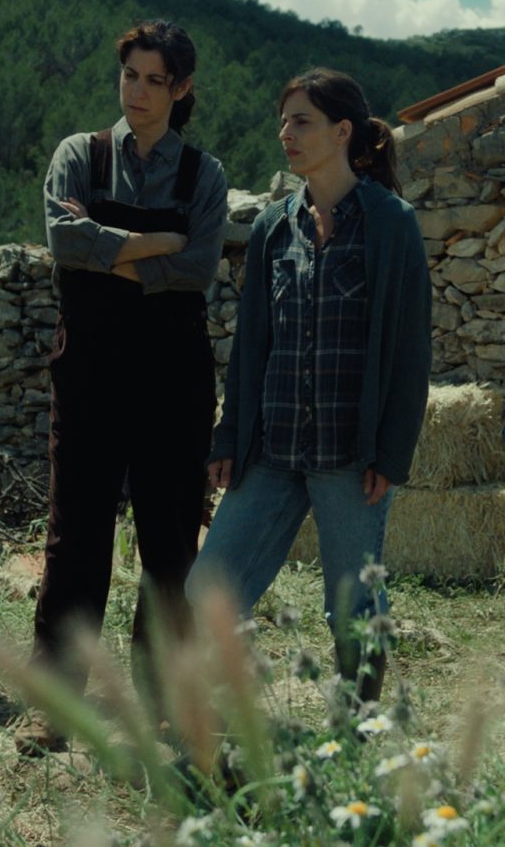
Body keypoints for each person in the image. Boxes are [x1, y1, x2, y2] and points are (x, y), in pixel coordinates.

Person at [185, 68, 432, 705]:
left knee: (351, 608)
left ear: (342, 131)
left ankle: (355, 729)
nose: (285, 133)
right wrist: (230, 435)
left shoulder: (390, 223)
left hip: (350, 453)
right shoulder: (274, 225)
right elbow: (252, 345)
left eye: (302, 121)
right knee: (210, 588)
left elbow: (410, 350)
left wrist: (391, 453)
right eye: (284, 121)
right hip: (273, 446)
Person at [29, 21, 230, 733]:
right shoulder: (79, 156)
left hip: (173, 378)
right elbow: (63, 240)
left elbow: (197, 267)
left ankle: (168, 704)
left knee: (170, 541)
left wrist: (107, 251)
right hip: (89, 372)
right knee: (74, 537)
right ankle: (55, 705)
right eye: (129, 76)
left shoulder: (203, 174)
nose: (137, 92)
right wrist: (156, 242)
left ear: (181, 89)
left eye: (154, 80)